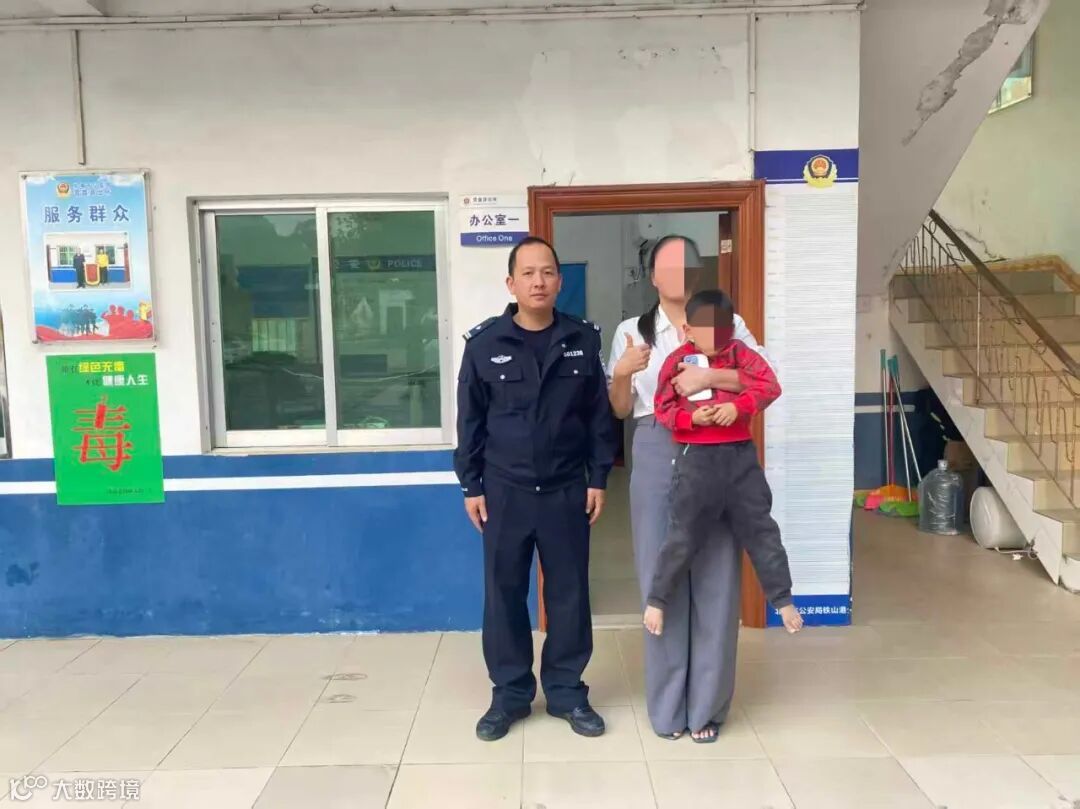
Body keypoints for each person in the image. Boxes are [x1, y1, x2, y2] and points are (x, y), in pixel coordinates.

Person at [607, 234, 771, 743]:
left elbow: (762, 380)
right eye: (667, 264)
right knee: (661, 575)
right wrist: (621, 374)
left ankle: (706, 709)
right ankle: (667, 708)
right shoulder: (631, 332)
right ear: (652, 275)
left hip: (719, 449)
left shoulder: (729, 324)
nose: (678, 271)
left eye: (687, 263)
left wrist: (712, 377)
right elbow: (619, 408)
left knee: (718, 573)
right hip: (657, 448)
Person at [454, 236, 617, 743]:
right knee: (503, 593)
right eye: (527, 273)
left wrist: (598, 477)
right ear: (511, 283)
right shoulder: (484, 345)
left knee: (569, 593)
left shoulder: (582, 340)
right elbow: (470, 421)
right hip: (505, 491)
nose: (538, 282)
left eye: (547, 272)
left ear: (559, 281)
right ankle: (510, 694)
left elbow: (598, 418)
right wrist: (471, 484)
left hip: (567, 489)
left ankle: (567, 692)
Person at [645, 288, 803, 647]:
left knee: (761, 530)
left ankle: (782, 599)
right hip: (696, 461)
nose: (715, 336)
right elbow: (662, 408)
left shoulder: (740, 354)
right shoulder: (676, 361)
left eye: (722, 327)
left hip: (740, 458)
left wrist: (739, 407)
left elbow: (770, 385)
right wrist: (691, 419)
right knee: (683, 534)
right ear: (687, 330)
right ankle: (657, 601)